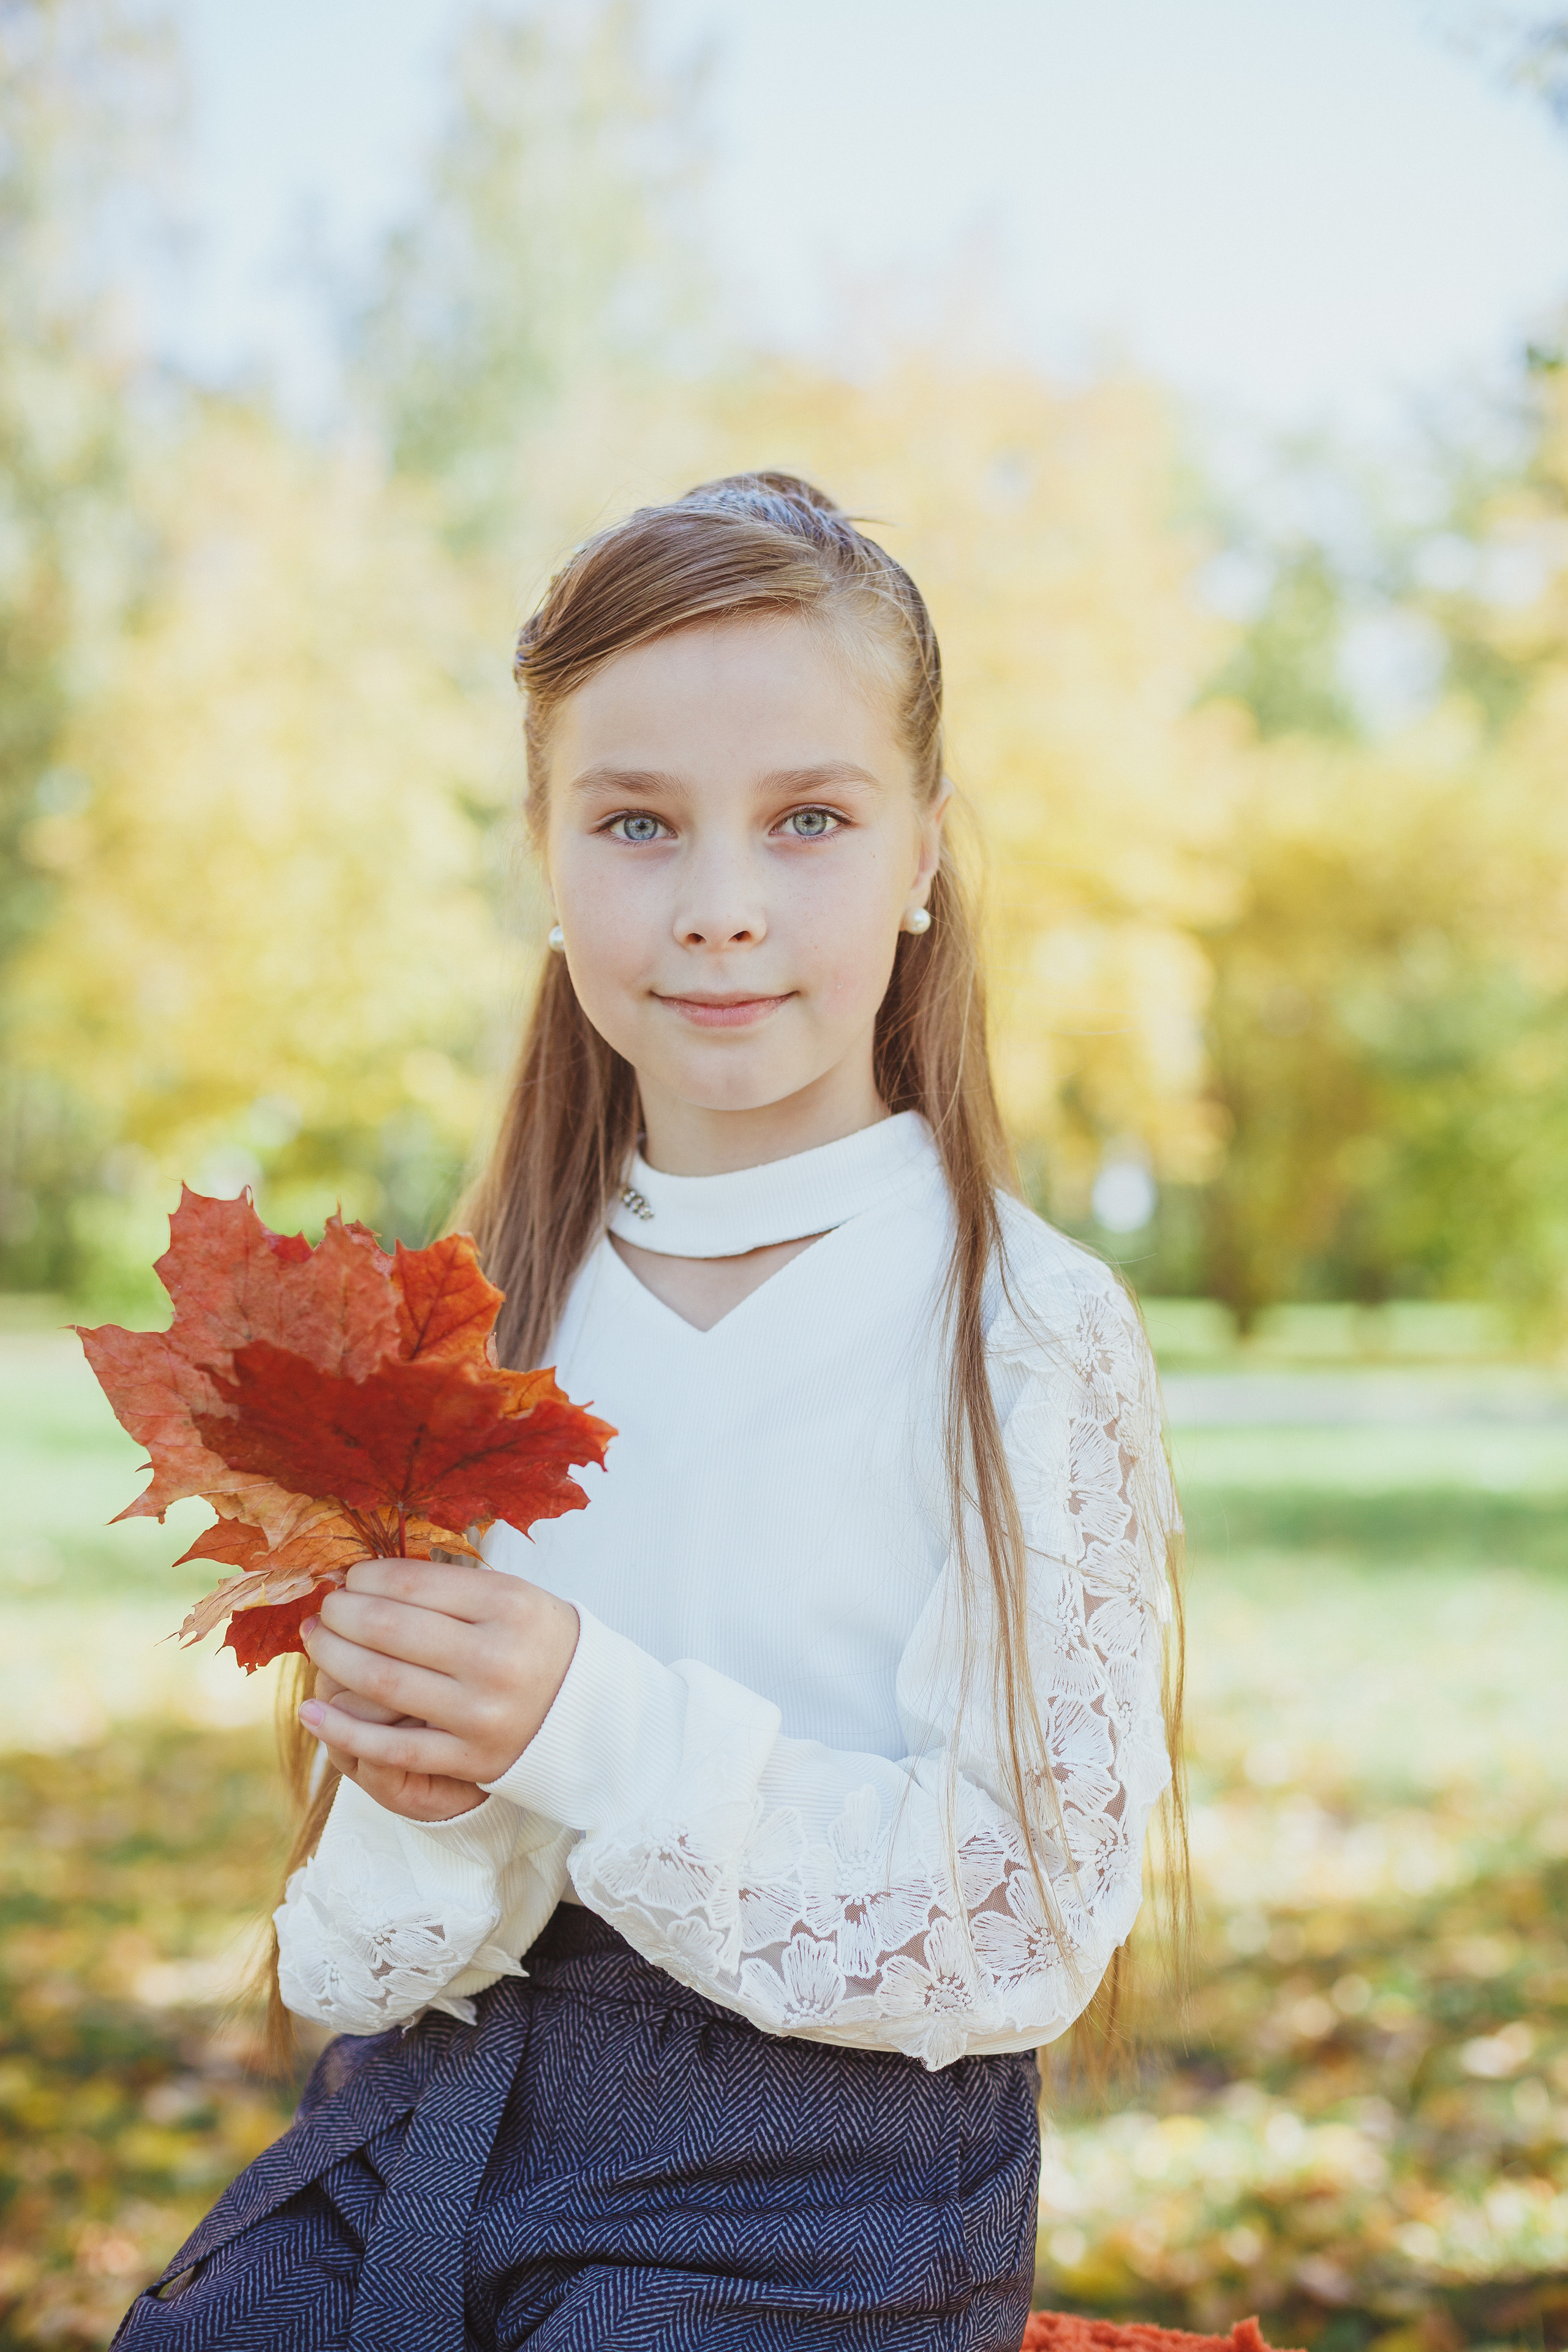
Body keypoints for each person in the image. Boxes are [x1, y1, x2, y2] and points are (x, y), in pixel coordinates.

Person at [114, 473, 1186, 2352]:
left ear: (924, 849)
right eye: (635, 823)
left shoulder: (1022, 1326)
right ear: (544, 853)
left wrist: (590, 1726)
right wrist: (440, 1797)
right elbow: (384, 1934)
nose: (718, 908)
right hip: (438, 2107)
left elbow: (1024, 1914)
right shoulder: (480, 1319)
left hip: (818, 2174)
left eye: (808, 822)